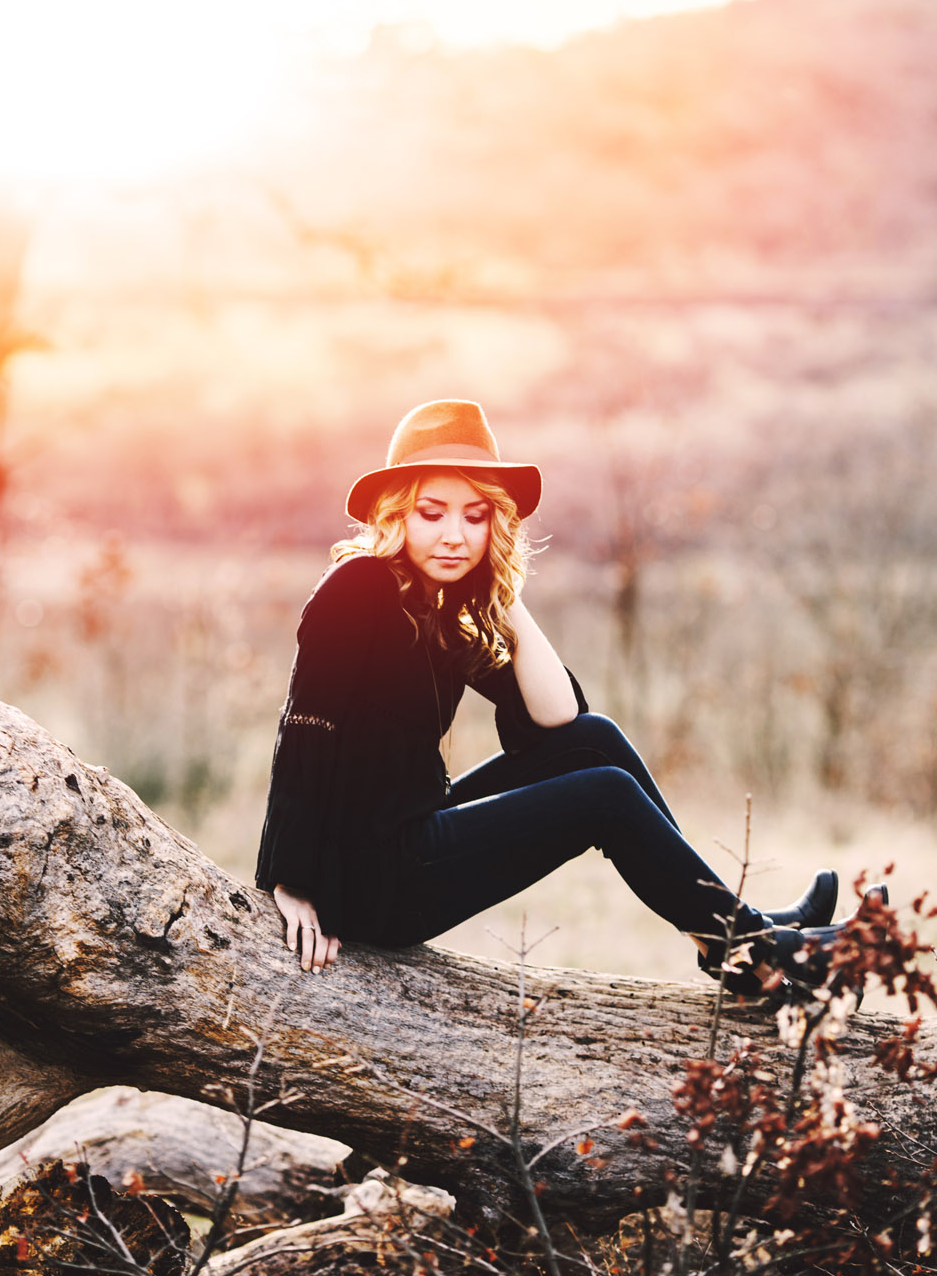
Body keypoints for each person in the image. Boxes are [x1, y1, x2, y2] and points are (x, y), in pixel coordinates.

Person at [255, 400, 856, 994]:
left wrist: (500, 585)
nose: (453, 536)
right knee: (605, 796)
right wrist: (291, 880)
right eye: (431, 513)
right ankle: (755, 951)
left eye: (474, 517)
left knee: (597, 743)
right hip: (371, 878)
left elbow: (559, 715)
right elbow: (306, 728)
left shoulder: (440, 609)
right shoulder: (357, 587)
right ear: (396, 516)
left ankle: (729, 933)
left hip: (414, 838)